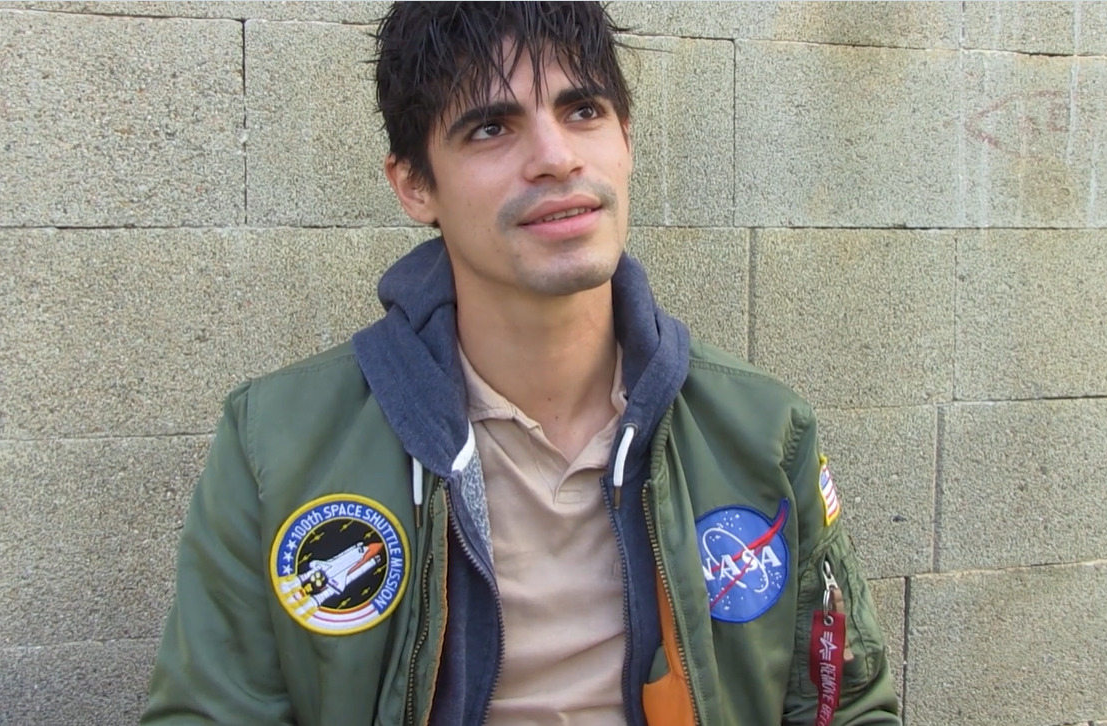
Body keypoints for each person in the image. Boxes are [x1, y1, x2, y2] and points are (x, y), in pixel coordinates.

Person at [142, 3, 901, 725]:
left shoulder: (762, 432)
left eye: (583, 111)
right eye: (491, 128)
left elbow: (843, 704)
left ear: (627, 139)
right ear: (414, 185)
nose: (556, 158)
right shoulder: (276, 445)